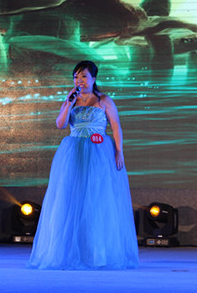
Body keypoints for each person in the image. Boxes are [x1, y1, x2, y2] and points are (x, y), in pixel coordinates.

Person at [28, 60, 139, 270]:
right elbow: (60, 124)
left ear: (94, 78)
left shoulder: (104, 100)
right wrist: (68, 103)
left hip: (98, 152)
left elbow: (116, 127)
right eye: (76, 77)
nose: (80, 80)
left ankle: (97, 252)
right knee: (71, 197)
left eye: (84, 76)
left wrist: (119, 151)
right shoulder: (71, 99)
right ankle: (67, 251)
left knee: (97, 198)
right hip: (74, 151)